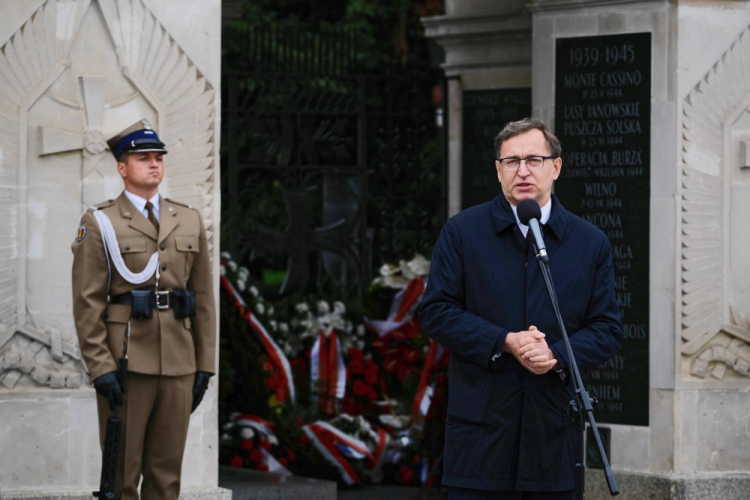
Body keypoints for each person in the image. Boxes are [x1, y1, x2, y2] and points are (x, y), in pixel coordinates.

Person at [418, 118, 622, 499]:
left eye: (534, 159)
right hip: (481, 443)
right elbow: (436, 311)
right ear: (498, 171)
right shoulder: (463, 232)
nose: (523, 171)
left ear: (556, 166)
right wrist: (505, 341)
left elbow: (607, 328)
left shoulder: (589, 242)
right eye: (511, 162)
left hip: (552, 440)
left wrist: (556, 354)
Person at [71, 119, 216, 499]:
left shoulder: (187, 218)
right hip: (127, 359)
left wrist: (205, 364)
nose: (154, 164)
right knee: (122, 476)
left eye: (158, 158)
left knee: (167, 478)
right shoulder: (100, 222)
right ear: (122, 167)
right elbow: (87, 302)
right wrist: (100, 366)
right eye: (143, 158)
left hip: (180, 361)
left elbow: (202, 297)